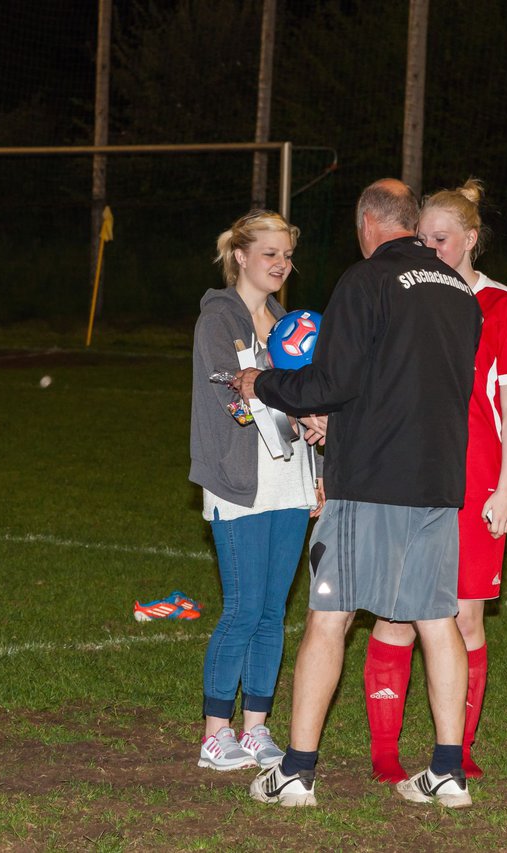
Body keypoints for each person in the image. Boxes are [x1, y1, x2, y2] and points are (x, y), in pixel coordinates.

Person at [236, 179, 482, 808]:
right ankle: (448, 769)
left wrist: (260, 383)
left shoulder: (366, 280)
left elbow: (331, 381)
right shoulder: (459, 290)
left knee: (329, 617)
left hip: (370, 481)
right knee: (436, 618)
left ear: (369, 223)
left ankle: (295, 770)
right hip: (437, 482)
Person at [365, 179, 507, 784]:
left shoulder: (506, 307)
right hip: (408, 472)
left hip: (475, 480)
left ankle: (455, 751)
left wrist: (506, 488)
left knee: (465, 619)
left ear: (470, 239)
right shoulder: (402, 293)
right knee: (396, 614)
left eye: (441, 239)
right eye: (422, 239)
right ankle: (386, 753)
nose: (430, 249)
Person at [190, 211, 324, 772]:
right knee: (242, 609)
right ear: (241, 256)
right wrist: (297, 404)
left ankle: (255, 730)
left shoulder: (291, 323)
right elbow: (236, 401)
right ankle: (214, 734)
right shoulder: (217, 322)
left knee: (273, 611)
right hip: (238, 482)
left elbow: (309, 393)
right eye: (270, 253)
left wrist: (317, 466)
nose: (281, 264)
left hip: (290, 482)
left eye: (287, 255)